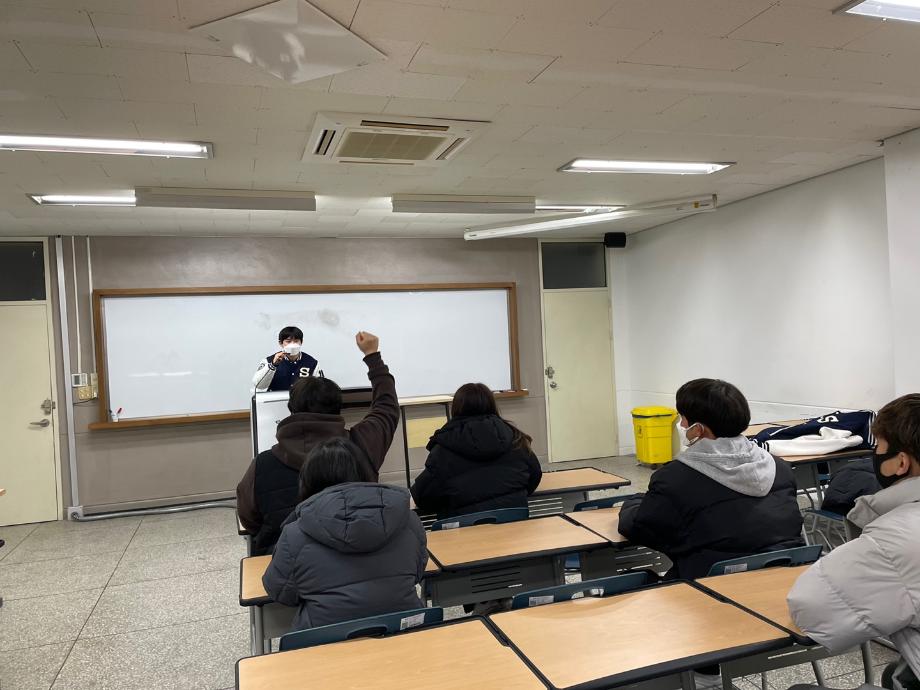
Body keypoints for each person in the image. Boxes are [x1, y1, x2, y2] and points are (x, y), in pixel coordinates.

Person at [787, 394, 920, 689]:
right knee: (894, 673)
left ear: (900, 462)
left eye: (879, 447)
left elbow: (810, 610)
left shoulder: (896, 537)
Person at [618, 378, 804, 580]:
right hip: (784, 577)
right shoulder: (779, 467)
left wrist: (632, 504)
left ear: (698, 429)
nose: (681, 424)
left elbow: (642, 529)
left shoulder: (675, 478)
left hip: (710, 585)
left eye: (683, 418)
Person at [237, 331, 399, 554]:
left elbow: (249, 520)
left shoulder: (262, 465)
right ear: (337, 408)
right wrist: (372, 356)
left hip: (289, 563)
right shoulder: (361, 445)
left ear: (291, 409)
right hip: (359, 556)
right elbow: (386, 407)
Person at [263, 438, 427, 632]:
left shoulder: (294, 534)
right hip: (405, 635)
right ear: (364, 473)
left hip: (324, 642)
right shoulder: (409, 520)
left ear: (308, 481)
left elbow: (280, 591)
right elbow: (418, 573)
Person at [410, 383, 542, 519]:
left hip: (461, 529)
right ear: (492, 405)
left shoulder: (443, 449)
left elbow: (423, 498)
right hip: (515, 525)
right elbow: (534, 475)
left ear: (456, 408)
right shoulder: (517, 440)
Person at [252, 326, 319, 392]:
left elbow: (319, 388)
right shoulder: (269, 361)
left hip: (302, 399)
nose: (292, 345)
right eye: (288, 341)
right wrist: (273, 365)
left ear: (301, 342)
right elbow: (259, 385)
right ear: (280, 343)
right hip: (276, 398)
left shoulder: (312, 362)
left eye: (296, 341)